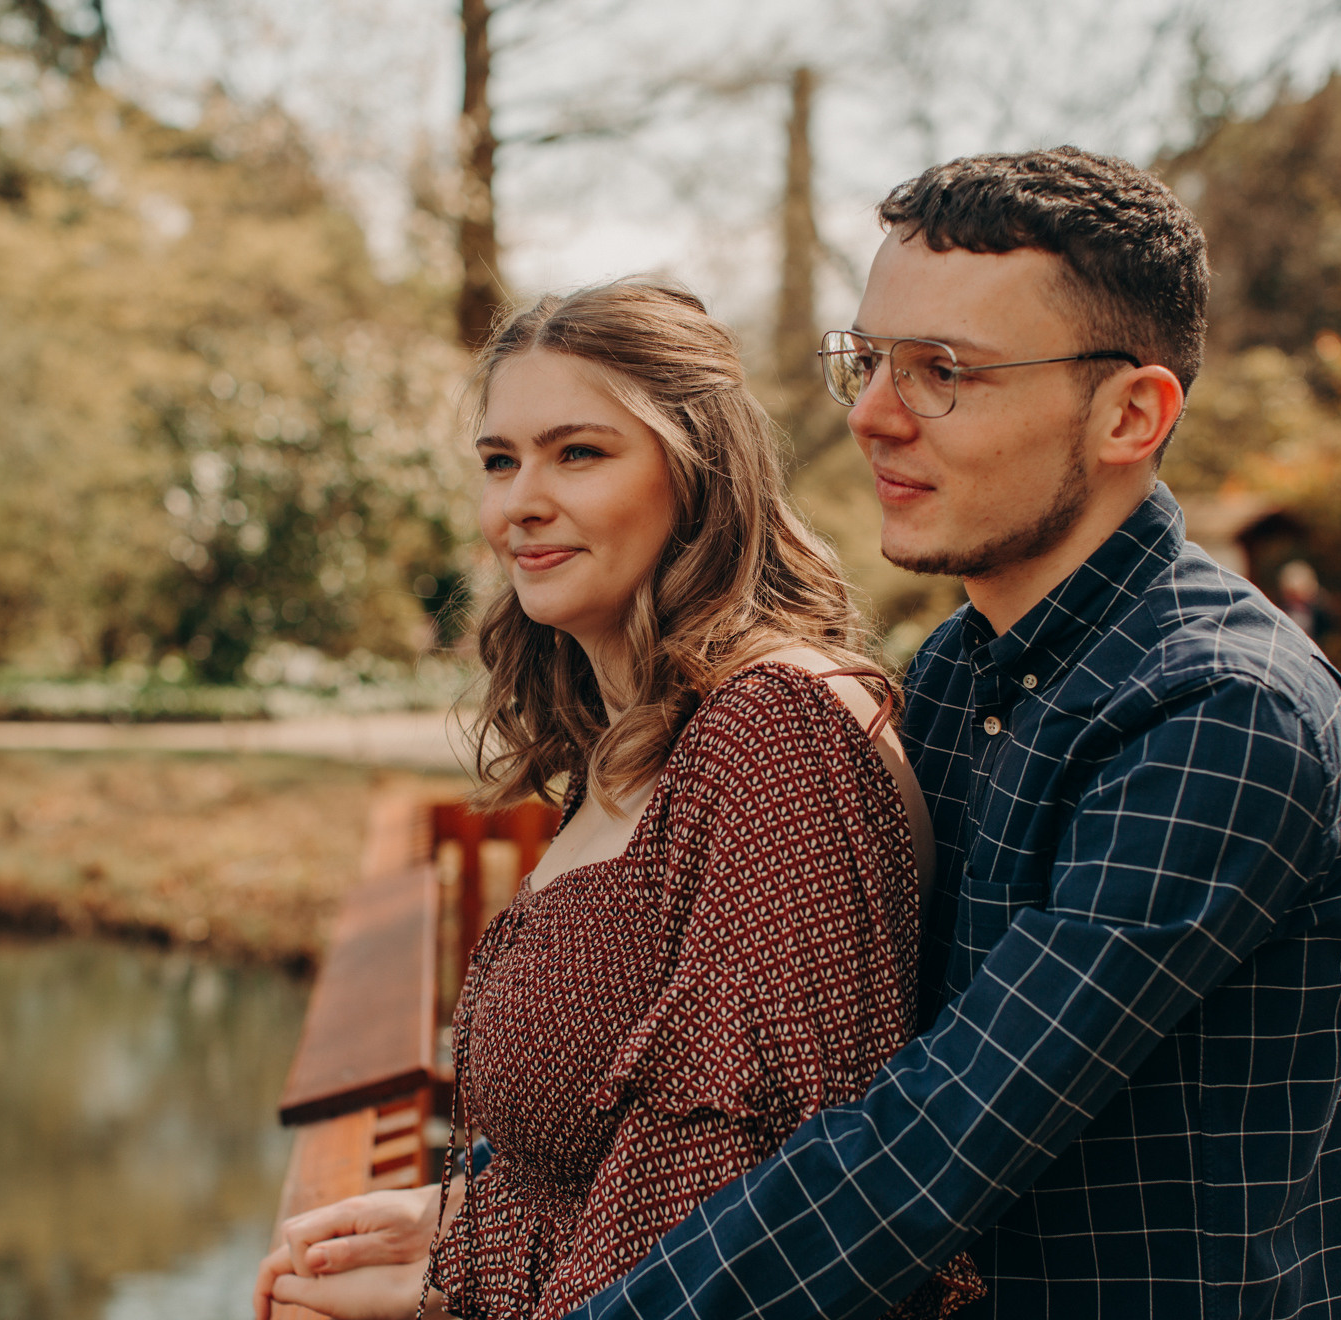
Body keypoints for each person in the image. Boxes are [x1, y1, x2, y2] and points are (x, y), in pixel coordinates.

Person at [274, 148, 1341, 1320]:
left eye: (943, 372)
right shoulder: (960, 674)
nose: (869, 415)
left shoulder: (1221, 710)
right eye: (871, 361)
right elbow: (778, 1070)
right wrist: (494, 1209)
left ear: (1130, 414)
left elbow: (931, 1143)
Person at [253, 280, 982, 1320]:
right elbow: (629, 1134)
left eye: (578, 453)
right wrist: (470, 1213)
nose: (520, 503)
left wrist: (455, 1284)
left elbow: (742, 1218)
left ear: (699, 475)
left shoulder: (774, 734)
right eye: (500, 461)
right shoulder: (636, 741)